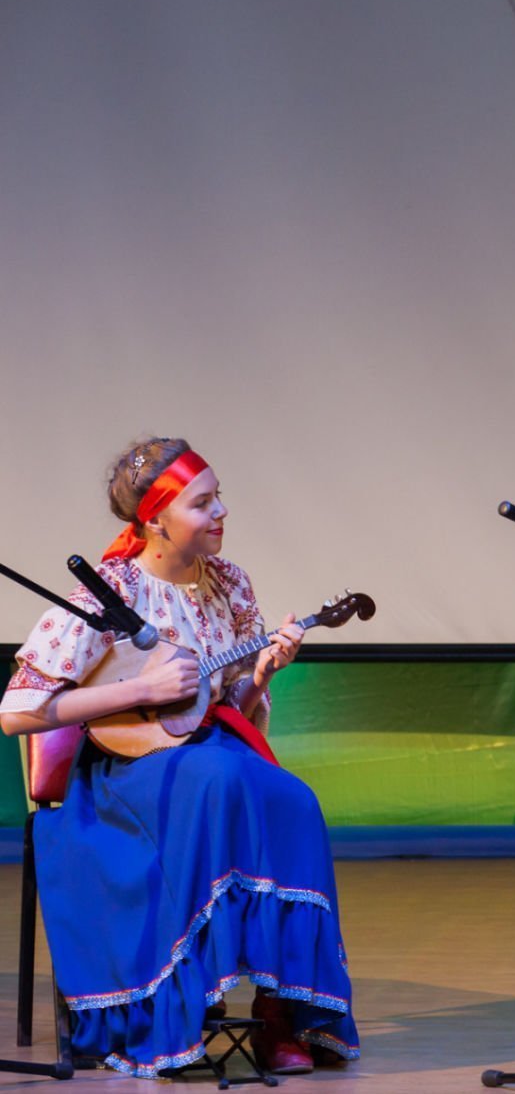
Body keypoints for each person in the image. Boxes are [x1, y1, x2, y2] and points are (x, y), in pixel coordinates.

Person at [0, 438, 360, 1078]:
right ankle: (184, 1005)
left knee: (294, 801)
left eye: (219, 497)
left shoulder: (230, 584)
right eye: (202, 502)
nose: (221, 511)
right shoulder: (110, 591)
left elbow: (220, 705)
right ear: (156, 520)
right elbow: (17, 712)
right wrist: (139, 690)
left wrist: (263, 672)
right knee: (221, 778)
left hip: (208, 753)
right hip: (125, 772)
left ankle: (280, 1011)